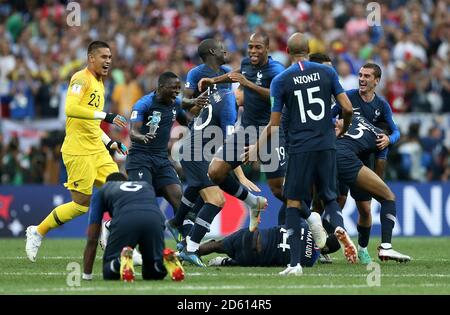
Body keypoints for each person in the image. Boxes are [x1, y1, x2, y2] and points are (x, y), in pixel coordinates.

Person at [245, 33, 354, 276]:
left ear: (287, 50)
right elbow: (347, 108)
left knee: (293, 202)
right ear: (309, 49)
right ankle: (339, 227)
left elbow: (274, 123)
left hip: (300, 148)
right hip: (327, 144)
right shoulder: (327, 72)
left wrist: (255, 147)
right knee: (329, 197)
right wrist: (342, 130)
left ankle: (294, 264)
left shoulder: (281, 80)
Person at [25, 41, 128, 262]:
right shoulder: (80, 78)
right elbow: (70, 109)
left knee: (123, 191)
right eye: (103, 57)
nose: (108, 61)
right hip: (78, 150)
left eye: (110, 57)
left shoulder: (100, 84)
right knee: (81, 205)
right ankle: (37, 231)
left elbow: (90, 123)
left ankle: (112, 233)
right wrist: (106, 116)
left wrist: (110, 143)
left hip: (97, 150)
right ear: (91, 58)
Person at [199, 32, 286, 230]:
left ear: (267, 49)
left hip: (270, 131)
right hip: (246, 130)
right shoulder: (247, 64)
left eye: (258, 47)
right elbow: (236, 73)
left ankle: (312, 219)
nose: (253, 51)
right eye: (250, 46)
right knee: (216, 172)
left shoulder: (276, 70)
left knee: (277, 189)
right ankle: (253, 202)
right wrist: (213, 81)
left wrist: (248, 85)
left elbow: (277, 96)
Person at [176, 89, 261, 267]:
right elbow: (228, 147)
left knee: (217, 181)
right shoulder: (230, 107)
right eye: (252, 96)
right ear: (242, 90)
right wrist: (241, 175)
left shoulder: (222, 94)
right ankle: (188, 247)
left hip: (195, 152)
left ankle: (184, 240)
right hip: (197, 155)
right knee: (216, 200)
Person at [332, 63, 401, 264]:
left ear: (377, 81)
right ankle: (326, 246)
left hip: (362, 160)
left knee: (365, 209)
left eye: (367, 76)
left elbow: (395, 131)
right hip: (344, 152)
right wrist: (335, 127)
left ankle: (362, 249)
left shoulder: (381, 106)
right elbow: (328, 116)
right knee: (338, 201)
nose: (362, 79)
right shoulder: (348, 96)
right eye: (360, 75)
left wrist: (390, 140)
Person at [166, 39, 232, 240]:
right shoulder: (196, 73)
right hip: (202, 132)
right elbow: (186, 105)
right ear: (213, 51)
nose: (225, 49)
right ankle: (184, 222)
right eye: (222, 47)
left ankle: (183, 219)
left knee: (211, 178)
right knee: (207, 179)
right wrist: (198, 106)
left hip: (219, 132)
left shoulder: (227, 72)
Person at [335, 115, 411, 262]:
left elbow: (338, 124)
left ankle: (313, 244)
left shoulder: (357, 118)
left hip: (327, 152)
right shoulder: (382, 139)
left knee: (322, 202)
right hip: (345, 158)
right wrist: (376, 187)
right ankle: (386, 246)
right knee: (388, 197)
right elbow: (380, 168)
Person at [82, 172, 184, 281]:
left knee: (109, 272)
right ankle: (162, 262)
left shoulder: (104, 189)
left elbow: (92, 238)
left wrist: (86, 275)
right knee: (152, 274)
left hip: (125, 218)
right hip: (154, 219)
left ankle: (119, 262)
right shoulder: (145, 186)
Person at [126, 72, 186, 215]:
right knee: (144, 200)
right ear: (161, 87)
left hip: (161, 159)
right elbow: (133, 132)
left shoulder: (176, 104)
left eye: (179, 88)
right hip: (140, 158)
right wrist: (142, 137)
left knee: (179, 198)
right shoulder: (144, 104)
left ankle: (185, 235)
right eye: (173, 88)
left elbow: (187, 122)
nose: (177, 91)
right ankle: (112, 224)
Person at [198, 219, 342, 268]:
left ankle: (187, 252)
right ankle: (225, 262)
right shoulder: (309, 261)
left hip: (253, 234)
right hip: (255, 255)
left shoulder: (303, 225)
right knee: (262, 261)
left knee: (217, 245)